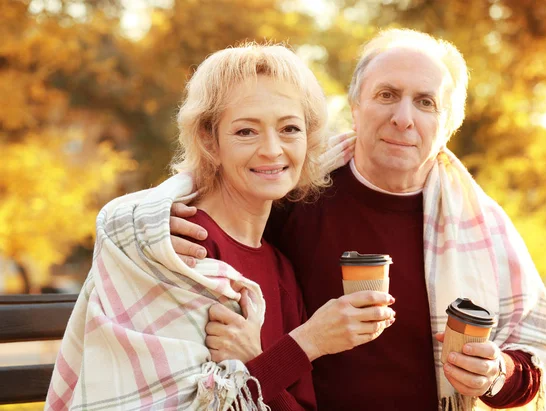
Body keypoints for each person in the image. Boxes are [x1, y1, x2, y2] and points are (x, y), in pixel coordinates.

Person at [170, 29, 546, 410]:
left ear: (449, 125)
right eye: (387, 95)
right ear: (355, 107)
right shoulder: (291, 194)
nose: (403, 118)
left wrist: (494, 373)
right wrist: (157, 220)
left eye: (426, 102)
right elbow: (215, 194)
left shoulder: (484, 228)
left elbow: (529, 368)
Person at [45, 44, 395, 411]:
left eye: (290, 128)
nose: (272, 150)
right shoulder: (180, 246)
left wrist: (258, 359)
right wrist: (307, 343)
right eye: (246, 132)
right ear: (209, 140)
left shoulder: (281, 271)